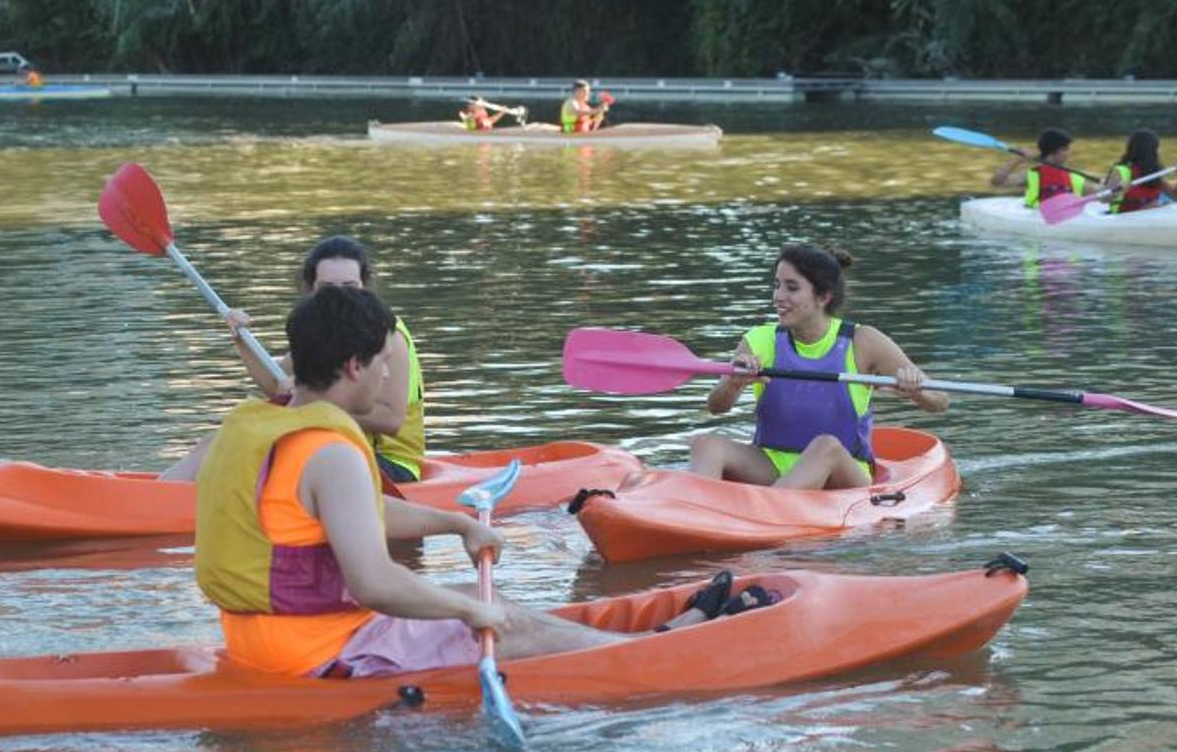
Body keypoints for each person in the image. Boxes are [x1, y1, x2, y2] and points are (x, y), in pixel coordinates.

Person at [194, 286, 761, 680]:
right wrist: (472, 618)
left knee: (480, 596)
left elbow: (353, 516)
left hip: (263, 642)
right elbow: (373, 584)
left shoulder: (259, 425)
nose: (391, 374)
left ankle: (648, 640)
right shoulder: (330, 450)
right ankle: (658, 654)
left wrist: (453, 522)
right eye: (384, 362)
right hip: (316, 652)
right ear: (353, 367)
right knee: (494, 616)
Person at [161, 236, 424, 484]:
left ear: (365, 287)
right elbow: (278, 384)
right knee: (217, 440)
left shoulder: (390, 337)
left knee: (264, 447)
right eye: (327, 288)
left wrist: (310, 404)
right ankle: (162, 496)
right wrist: (240, 339)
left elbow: (391, 421)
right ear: (311, 289)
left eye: (349, 287)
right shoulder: (321, 327)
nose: (339, 297)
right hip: (336, 442)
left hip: (391, 466)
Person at [686, 244, 949, 490]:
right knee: (706, 445)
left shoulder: (863, 341)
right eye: (776, 285)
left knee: (826, 446)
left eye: (791, 288)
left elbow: (939, 401)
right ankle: (694, 516)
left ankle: (769, 513)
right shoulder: (759, 340)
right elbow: (716, 406)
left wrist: (916, 389)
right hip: (772, 465)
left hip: (842, 474)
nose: (778, 296)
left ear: (823, 296)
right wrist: (733, 383)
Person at [989, 127, 1099, 206]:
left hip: (1055, 221)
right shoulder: (1032, 175)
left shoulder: (1074, 177)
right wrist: (1018, 159)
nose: (1069, 153)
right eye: (1065, 149)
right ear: (1054, 152)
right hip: (1034, 220)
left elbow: (1102, 194)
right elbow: (997, 182)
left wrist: (1112, 185)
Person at [1104, 129, 1177, 213]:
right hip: (1124, 216)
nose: (1158, 151)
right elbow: (1103, 198)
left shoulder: (1153, 171)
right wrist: (1118, 191)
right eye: (1156, 148)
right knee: (1156, 204)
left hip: (1149, 214)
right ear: (1150, 150)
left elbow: (1176, 197)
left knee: (1159, 204)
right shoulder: (1122, 170)